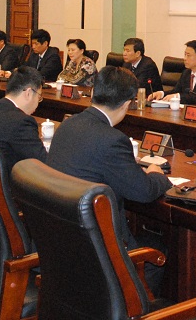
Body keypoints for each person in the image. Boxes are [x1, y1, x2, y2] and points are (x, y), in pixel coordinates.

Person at [47, 65, 170, 293]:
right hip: (98, 252)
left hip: (61, 244)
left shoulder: (67, 125)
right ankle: (136, 306)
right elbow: (143, 191)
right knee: (160, 250)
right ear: (127, 104)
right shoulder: (112, 140)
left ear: (94, 92)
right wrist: (156, 174)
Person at [147, 40, 196, 105]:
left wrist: (178, 97)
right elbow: (176, 91)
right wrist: (161, 94)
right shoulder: (186, 73)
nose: (185, 58)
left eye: (188, 55)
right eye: (185, 55)